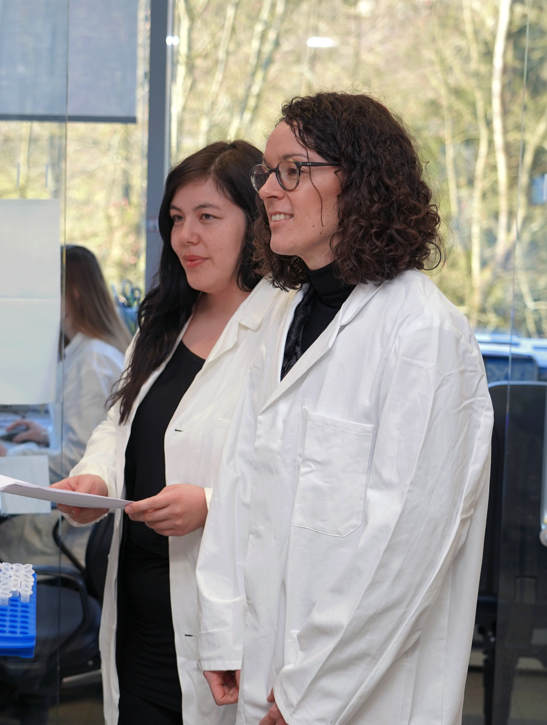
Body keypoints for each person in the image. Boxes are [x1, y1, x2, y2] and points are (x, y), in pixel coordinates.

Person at [197, 93, 493, 725]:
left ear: (360, 182)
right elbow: (241, 481)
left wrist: (310, 693)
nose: (271, 191)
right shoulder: (285, 313)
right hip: (262, 667)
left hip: (360, 693)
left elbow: (406, 551)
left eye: (293, 170)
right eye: (267, 174)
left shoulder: (422, 332)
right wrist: (224, 630)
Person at [51, 142, 294, 725]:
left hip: (224, 624)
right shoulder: (166, 319)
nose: (187, 235)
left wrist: (210, 504)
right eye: (177, 219)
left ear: (255, 222)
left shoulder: (286, 326)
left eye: (208, 217)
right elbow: (118, 422)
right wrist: (95, 476)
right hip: (138, 610)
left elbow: (295, 473)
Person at [0, 245, 130, 481]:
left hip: (84, 510)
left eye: (45, 290)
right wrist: (49, 436)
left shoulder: (93, 361)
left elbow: (81, 462)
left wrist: (7, 460)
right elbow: (94, 435)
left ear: (74, 293)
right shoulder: (84, 352)